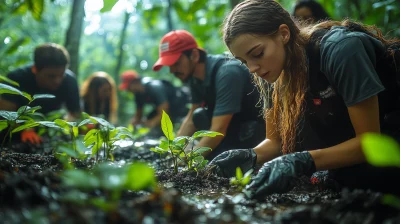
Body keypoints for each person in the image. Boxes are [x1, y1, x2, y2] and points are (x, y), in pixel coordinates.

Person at [209, 0, 400, 198]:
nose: (252, 68)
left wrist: (302, 161)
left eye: (257, 54)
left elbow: (370, 142)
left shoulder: (341, 50)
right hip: (348, 133)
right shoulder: (270, 70)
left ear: (284, 34)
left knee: (356, 178)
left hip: (388, 129)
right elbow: (274, 142)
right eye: (244, 61)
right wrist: (249, 155)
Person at [152, 30, 266, 160]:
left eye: (176, 63)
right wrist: (172, 153)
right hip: (232, 125)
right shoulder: (195, 78)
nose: (172, 70)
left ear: (194, 55)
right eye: (169, 66)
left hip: (255, 129)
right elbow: (190, 119)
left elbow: (217, 131)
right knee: (199, 115)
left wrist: (189, 160)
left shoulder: (227, 73)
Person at [0, 43, 81, 144]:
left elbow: (75, 114)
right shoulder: (16, 78)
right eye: (51, 76)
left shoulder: (70, 81)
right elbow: (5, 112)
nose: (57, 81)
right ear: (35, 69)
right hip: (14, 134)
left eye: (61, 75)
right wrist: (24, 129)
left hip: (50, 132)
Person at [119, 70, 189, 137]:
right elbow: (138, 116)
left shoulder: (154, 86)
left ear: (135, 82)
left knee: (159, 122)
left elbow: (164, 112)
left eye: (128, 87)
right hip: (165, 108)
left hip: (179, 105)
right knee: (149, 118)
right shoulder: (138, 95)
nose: (128, 90)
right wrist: (132, 127)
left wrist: (150, 123)